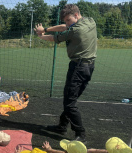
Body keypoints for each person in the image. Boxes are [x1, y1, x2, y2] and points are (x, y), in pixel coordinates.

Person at [34, 4, 97, 142]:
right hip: (89, 67)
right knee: (70, 100)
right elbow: (65, 27)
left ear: (75, 15)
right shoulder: (90, 21)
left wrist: (41, 35)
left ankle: (81, 134)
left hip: (78, 68)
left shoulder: (75, 31)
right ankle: (62, 126)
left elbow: (55, 38)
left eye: (68, 20)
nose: (66, 23)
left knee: (69, 103)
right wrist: (45, 29)